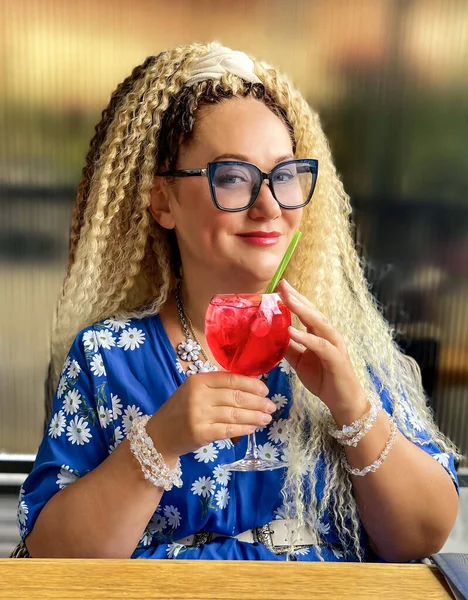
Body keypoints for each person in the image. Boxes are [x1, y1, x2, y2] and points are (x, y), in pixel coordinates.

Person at [16, 42, 459, 562]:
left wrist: (352, 410)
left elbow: (425, 536)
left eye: (285, 175)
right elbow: (50, 558)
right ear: (163, 201)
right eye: (232, 177)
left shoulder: (342, 349)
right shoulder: (109, 355)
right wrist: (157, 444)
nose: (269, 206)